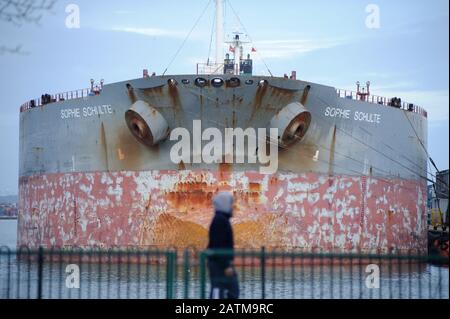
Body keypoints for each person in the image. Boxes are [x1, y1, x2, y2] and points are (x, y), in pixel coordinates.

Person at [207, 192, 239, 299]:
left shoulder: (222, 219)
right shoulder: (220, 221)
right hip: (219, 264)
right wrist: (226, 265)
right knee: (218, 290)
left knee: (230, 289)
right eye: (230, 204)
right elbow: (218, 245)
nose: (232, 207)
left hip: (221, 263)